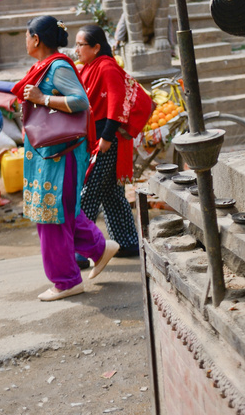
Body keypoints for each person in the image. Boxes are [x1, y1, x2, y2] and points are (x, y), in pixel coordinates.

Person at [11, 15, 118, 300]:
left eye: (26, 34)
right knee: (59, 212)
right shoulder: (43, 66)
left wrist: (42, 99)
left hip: (62, 153)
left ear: (36, 39)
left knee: (52, 216)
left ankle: (67, 281)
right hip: (48, 153)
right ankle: (99, 248)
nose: (25, 40)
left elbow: (80, 101)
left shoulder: (57, 66)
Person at [74, 25, 152, 262]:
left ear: (96, 47)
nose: (76, 49)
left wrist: (106, 138)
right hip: (100, 139)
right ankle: (127, 243)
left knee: (88, 194)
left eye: (80, 45)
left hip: (106, 141)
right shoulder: (90, 67)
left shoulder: (106, 67)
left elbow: (116, 106)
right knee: (111, 194)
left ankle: (81, 249)